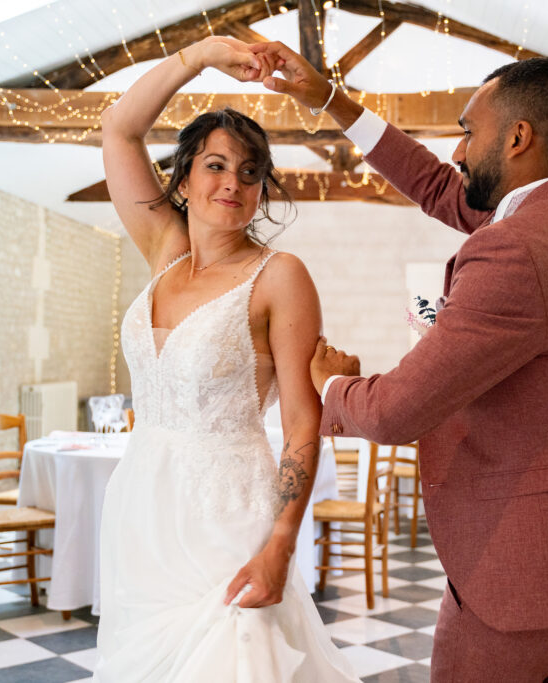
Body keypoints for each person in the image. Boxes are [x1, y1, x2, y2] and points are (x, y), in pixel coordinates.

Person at [254, 42, 548, 681]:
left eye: (469, 133)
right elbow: (438, 186)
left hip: (535, 578)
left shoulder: (517, 253)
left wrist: (331, 381)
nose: (457, 150)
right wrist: (327, 98)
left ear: (518, 138)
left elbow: (394, 412)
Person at [93, 36, 358, 682]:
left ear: (263, 189)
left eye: (249, 171)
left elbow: (302, 421)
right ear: (182, 179)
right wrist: (203, 55)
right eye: (214, 165)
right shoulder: (164, 250)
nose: (232, 183)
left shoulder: (279, 276)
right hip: (142, 508)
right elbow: (119, 128)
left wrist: (280, 544)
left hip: (230, 512)